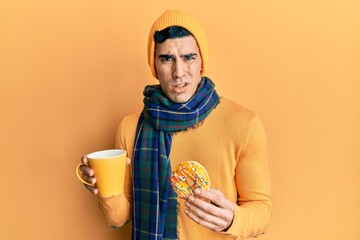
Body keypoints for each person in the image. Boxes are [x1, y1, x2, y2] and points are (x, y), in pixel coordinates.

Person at [79, 10, 272, 240]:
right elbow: (118, 218)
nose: (178, 72)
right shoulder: (131, 128)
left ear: (201, 62)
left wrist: (234, 219)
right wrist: (105, 187)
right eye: (167, 59)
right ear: (154, 66)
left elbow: (261, 210)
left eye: (188, 57)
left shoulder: (243, 124)